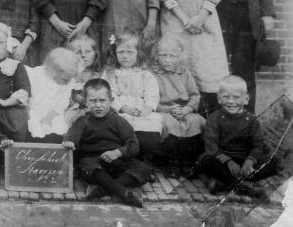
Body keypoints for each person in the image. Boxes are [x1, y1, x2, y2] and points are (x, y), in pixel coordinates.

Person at [62, 78, 151, 207]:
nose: (98, 105)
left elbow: (133, 145)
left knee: (144, 169)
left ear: (111, 101)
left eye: (102, 100)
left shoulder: (118, 121)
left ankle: (101, 190)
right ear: (85, 102)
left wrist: (118, 152)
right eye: (93, 101)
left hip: (117, 163)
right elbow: (70, 137)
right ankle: (123, 193)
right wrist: (69, 142)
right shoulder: (82, 121)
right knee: (85, 163)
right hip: (95, 167)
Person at [199, 75, 277, 199]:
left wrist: (249, 162)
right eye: (226, 97)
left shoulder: (252, 120)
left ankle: (223, 183)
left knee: (274, 161)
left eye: (236, 97)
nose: (230, 101)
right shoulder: (214, 118)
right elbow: (211, 146)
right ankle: (246, 189)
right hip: (222, 161)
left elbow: (257, 145)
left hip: (244, 161)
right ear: (219, 99)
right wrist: (229, 162)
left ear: (246, 99)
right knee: (205, 160)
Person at [151, 34, 205, 179]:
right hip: (164, 110)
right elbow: (150, 101)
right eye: (163, 55)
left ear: (180, 56)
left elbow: (195, 95)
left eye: (172, 56)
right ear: (156, 57)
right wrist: (167, 109)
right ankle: (172, 162)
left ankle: (188, 162)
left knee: (195, 122)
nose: (168, 60)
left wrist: (187, 109)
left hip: (185, 109)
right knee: (169, 125)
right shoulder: (153, 75)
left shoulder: (185, 73)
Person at [103, 30, 162, 163]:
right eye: (121, 52)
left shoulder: (145, 74)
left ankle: (145, 160)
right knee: (120, 127)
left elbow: (152, 95)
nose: (125, 56)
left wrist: (147, 109)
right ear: (114, 53)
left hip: (141, 110)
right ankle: (126, 158)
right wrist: (122, 108)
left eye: (130, 52)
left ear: (138, 53)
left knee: (151, 124)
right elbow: (108, 94)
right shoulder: (111, 73)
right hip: (120, 111)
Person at [27, 48, 80, 143]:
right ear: (54, 71)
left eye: (69, 80)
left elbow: (60, 107)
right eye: (64, 79)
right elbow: (28, 103)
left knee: (56, 132)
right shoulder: (34, 75)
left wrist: (46, 121)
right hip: (30, 114)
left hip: (51, 117)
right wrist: (37, 122)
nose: (66, 83)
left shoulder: (69, 81)